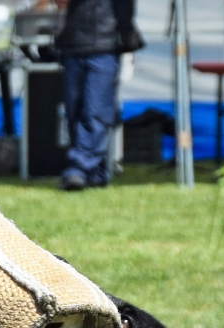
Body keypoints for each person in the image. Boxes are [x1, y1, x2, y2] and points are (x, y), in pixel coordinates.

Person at [56, 0, 143, 190]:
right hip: (74, 43)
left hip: (106, 45)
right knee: (75, 111)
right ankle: (95, 172)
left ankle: (79, 167)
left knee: (95, 110)